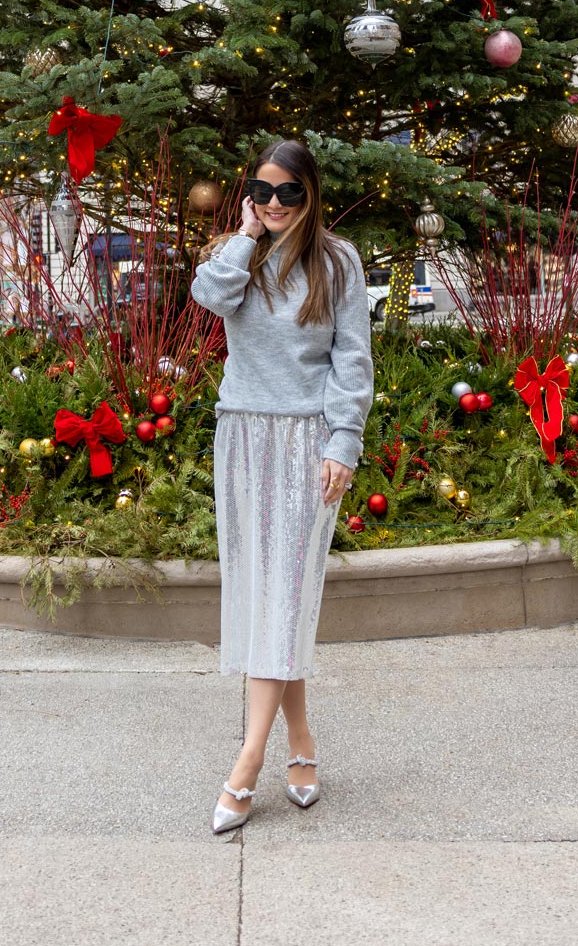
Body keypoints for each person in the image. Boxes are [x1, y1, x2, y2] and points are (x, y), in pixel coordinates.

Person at [188, 137, 374, 837]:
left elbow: (351, 360)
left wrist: (343, 443)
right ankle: (303, 748)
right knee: (270, 599)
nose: (273, 204)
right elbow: (208, 300)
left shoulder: (337, 261)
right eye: (262, 191)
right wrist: (243, 235)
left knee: (284, 594)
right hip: (243, 436)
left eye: (287, 193)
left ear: (311, 194)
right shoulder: (236, 254)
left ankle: (248, 760)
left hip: (307, 446)